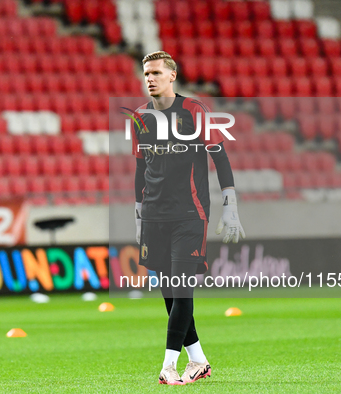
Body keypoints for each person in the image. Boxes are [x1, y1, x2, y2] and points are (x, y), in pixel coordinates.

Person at [131, 51, 246, 385]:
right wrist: (138, 214)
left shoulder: (194, 111)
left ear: (172, 76)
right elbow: (141, 169)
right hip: (153, 214)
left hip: (190, 214)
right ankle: (198, 361)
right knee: (170, 292)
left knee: (181, 290)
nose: (149, 78)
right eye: (146, 73)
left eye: (155, 72)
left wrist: (230, 204)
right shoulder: (139, 117)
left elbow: (220, 158)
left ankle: (169, 365)